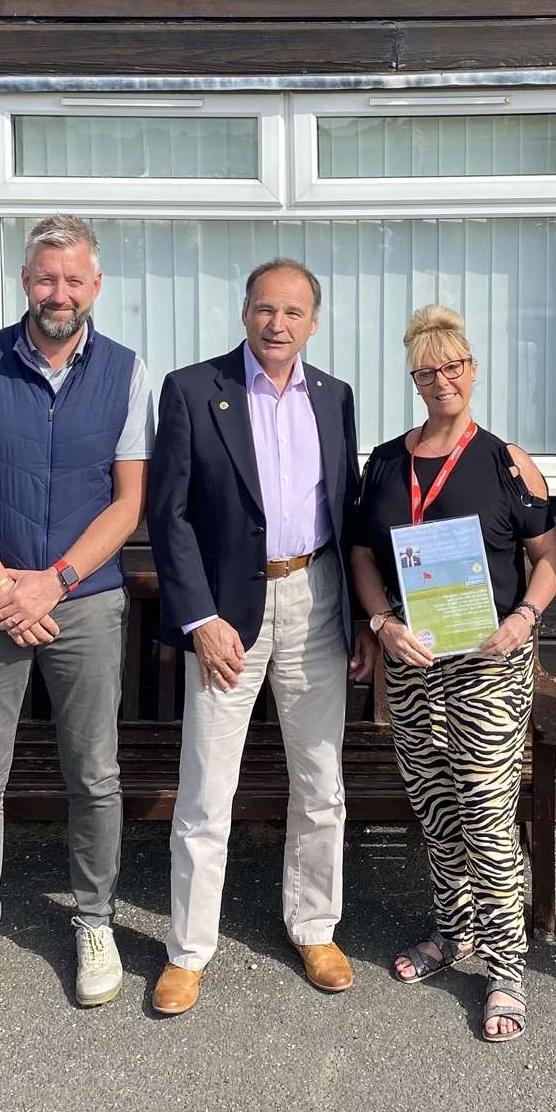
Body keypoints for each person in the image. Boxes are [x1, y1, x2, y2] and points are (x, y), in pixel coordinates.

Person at [0, 214, 154, 1030]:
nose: (60, 293)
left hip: (82, 602)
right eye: (46, 277)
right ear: (26, 281)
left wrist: (50, 585)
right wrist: (2, 591)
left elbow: (128, 501)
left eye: (75, 280)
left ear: (96, 286)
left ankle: (95, 924)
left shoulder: (126, 372)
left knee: (94, 774)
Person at [147, 258, 377, 1014]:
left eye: (293, 311)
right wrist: (200, 616)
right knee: (208, 789)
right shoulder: (191, 390)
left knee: (321, 782)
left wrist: (359, 615)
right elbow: (169, 516)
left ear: (314, 320)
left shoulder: (334, 397)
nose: (277, 324)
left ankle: (314, 926)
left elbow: (346, 511)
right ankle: (188, 950)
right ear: (244, 312)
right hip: (227, 615)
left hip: (314, 597)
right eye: (264, 309)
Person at [351, 305, 556, 1043]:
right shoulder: (384, 462)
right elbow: (363, 556)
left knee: (484, 808)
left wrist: (523, 620)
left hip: (490, 665)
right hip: (413, 666)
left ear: (472, 370)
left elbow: (547, 561)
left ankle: (506, 963)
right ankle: (452, 930)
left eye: (453, 366)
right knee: (436, 807)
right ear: (413, 378)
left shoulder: (508, 460)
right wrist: (381, 623)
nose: (440, 379)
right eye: (426, 370)